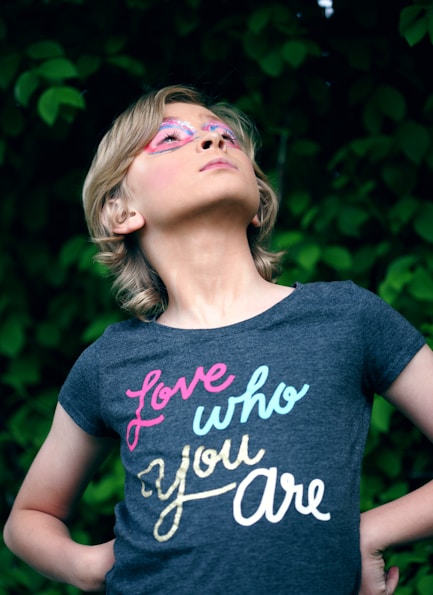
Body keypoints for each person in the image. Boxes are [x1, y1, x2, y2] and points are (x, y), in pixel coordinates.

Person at [3, 84, 433, 595]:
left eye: (223, 134)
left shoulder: (346, 317)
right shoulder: (110, 363)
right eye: (169, 139)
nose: (212, 142)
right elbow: (28, 518)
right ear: (120, 212)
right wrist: (91, 565)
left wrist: (366, 533)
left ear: (257, 204)